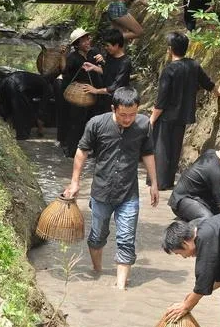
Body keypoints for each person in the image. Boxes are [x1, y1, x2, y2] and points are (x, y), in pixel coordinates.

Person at [63, 86, 159, 290]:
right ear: (113, 108)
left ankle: (120, 288)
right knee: (97, 236)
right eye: (123, 115)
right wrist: (74, 182)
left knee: (126, 240)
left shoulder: (143, 125)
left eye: (132, 114)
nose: (128, 119)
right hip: (101, 192)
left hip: (128, 194)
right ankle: (97, 271)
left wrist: (154, 184)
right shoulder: (97, 124)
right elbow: (82, 151)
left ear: (138, 109)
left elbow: (148, 153)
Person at [150, 32, 220, 191]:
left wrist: (152, 119)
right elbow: (207, 83)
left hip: (166, 115)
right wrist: (217, 91)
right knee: (175, 148)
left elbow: (162, 98)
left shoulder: (169, 70)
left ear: (170, 49)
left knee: (162, 148)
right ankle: (169, 181)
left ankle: (160, 182)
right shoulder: (193, 65)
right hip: (183, 115)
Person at [168, 136, 220, 222]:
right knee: (209, 221)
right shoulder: (215, 170)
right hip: (182, 201)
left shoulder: (211, 153)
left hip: (196, 197)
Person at [61, 28, 103, 157]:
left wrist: (102, 61)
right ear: (77, 44)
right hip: (79, 93)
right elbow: (64, 72)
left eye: (87, 39)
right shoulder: (73, 58)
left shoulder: (95, 53)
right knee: (77, 122)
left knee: (94, 120)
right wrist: (62, 56)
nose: (87, 42)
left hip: (95, 91)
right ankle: (72, 150)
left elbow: (104, 69)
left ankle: (93, 149)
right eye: (83, 40)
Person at [81, 28, 133, 114]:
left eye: (107, 46)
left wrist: (96, 90)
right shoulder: (110, 55)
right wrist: (94, 67)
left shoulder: (125, 63)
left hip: (118, 100)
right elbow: (107, 72)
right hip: (105, 97)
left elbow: (114, 87)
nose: (105, 48)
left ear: (116, 45)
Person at [0, 71, 55, 140]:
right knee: (23, 114)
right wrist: (40, 128)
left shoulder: (34, 79)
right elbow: (41, 110)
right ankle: (22, 136)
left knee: (8, 109)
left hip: (3, 82)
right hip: (15, 85)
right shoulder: (47, 88)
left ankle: (6, 133)